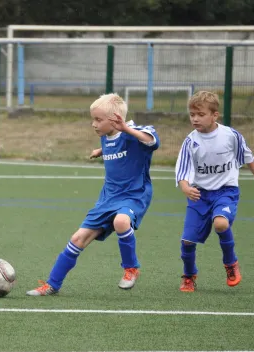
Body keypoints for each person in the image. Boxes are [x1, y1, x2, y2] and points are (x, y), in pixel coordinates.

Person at [27, 93, 160, 295]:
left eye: (98, 120)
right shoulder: (107, 137)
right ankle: (52, 284)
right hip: (108, 197)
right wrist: (101, 151)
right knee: (78, 238)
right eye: (93, 119)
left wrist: (126, 129)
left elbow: (152, 141)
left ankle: (131, 269)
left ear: (116, 120)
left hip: (133, 195)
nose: (93, 124)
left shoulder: (135, 132)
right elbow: (115, 145)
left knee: (121, 222)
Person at [175, 91, 254, 292]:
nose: (195, 118)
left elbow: (247, 156)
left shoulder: (230, 135)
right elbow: (183, 170)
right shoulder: (190, 141)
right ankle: (189, 275)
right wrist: (185, 187)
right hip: (200, 194)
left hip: (226, 192)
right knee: (187, 242)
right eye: (192, 114)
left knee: (220, 223)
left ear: (214, 115)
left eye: (200, 114)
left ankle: (231, 264)